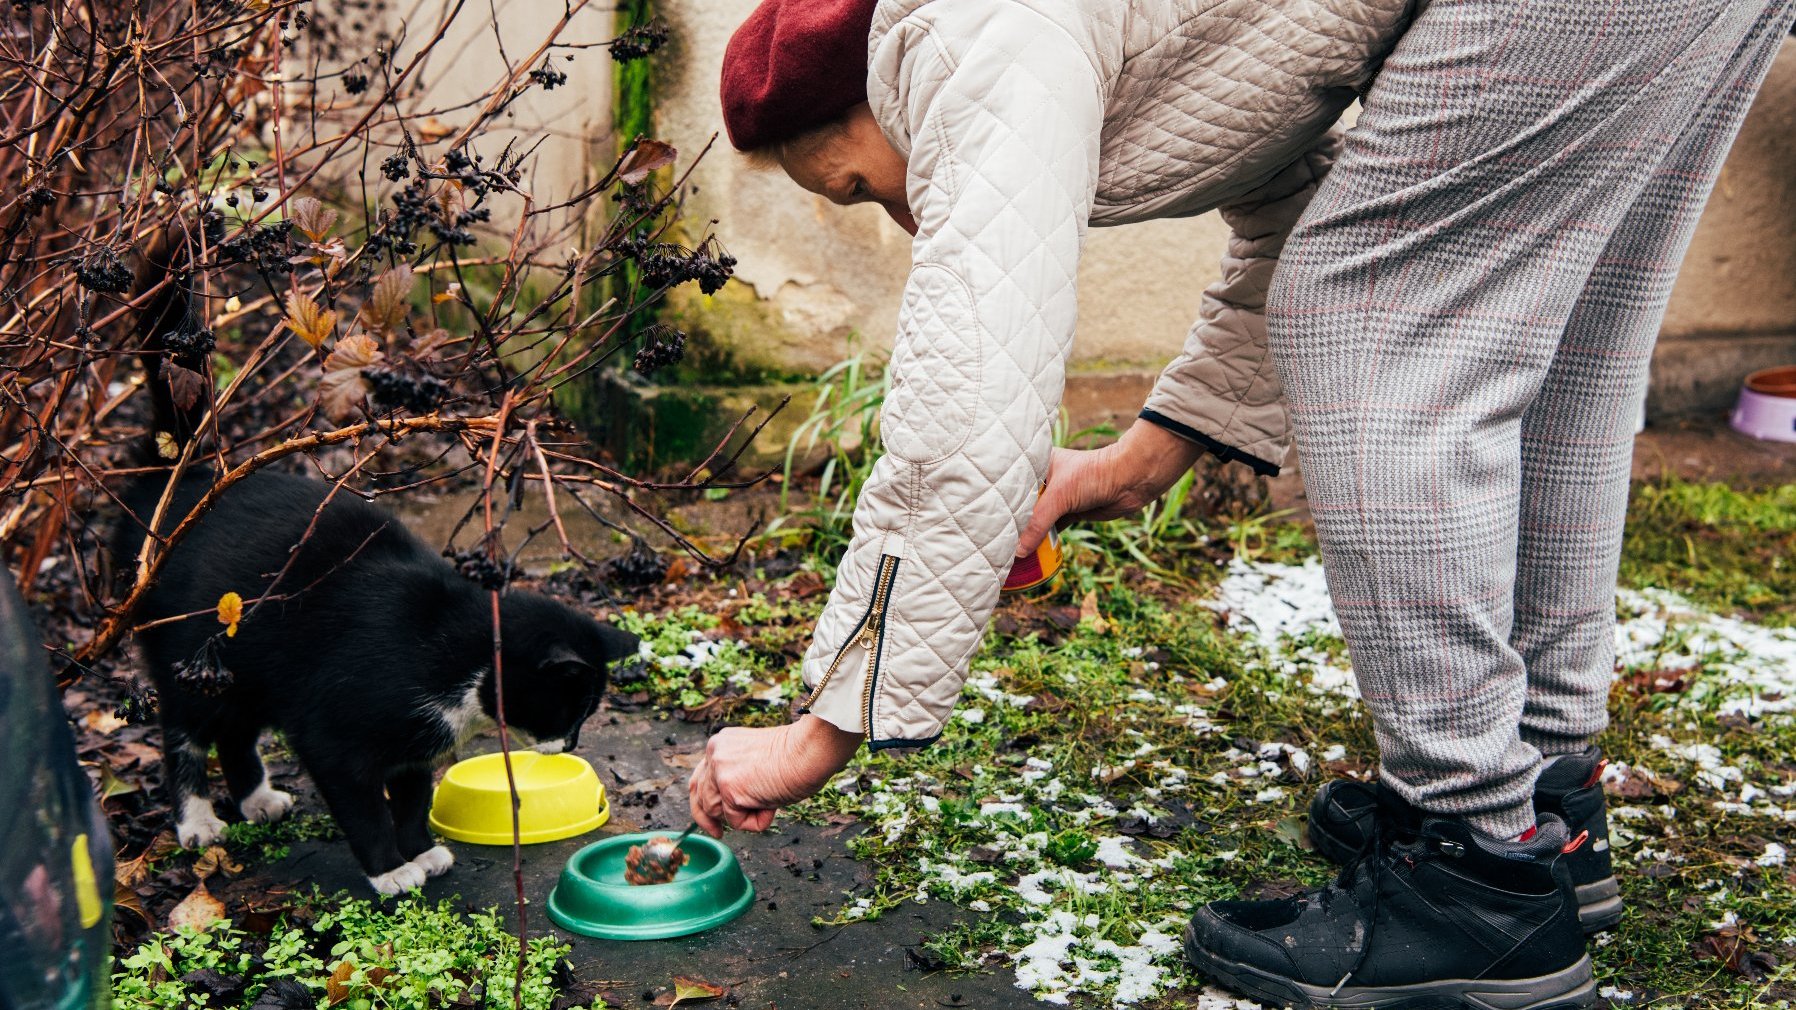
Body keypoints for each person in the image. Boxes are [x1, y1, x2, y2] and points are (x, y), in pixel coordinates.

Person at [687, 0, 1796, 1004]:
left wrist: (818, 732)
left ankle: (1474, 865)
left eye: (858, 186)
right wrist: (1126, 465)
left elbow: (960, 406)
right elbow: (1291, 206)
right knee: (1565, 348)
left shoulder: (955, 40)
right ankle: (1545, 807)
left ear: (875, 92)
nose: (898, 216)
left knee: (1369, 315)